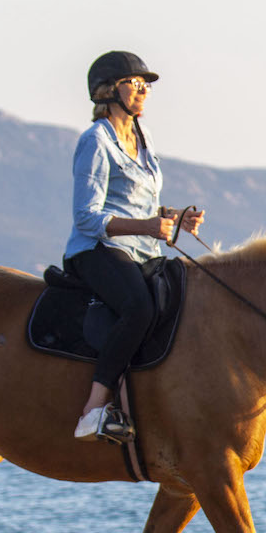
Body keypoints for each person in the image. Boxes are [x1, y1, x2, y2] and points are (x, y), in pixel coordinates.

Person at [62, 50, 204, 442]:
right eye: (135, 83)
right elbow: (87, 217)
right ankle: (93, 411)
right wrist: (146, 225)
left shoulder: (143, 138)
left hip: (143, 250)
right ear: (109, 91)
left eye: (146, 86)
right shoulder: (95, 140)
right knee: (138, 307)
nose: (143, 91)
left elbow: (136, 203)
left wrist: (174, 216)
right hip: (96, 249)